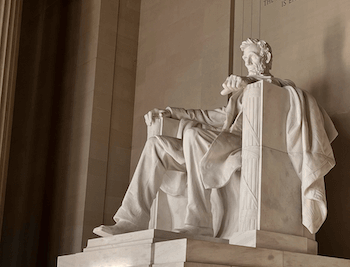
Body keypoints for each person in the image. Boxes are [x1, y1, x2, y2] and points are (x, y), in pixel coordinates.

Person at [93, 38, 337, 240]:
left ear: (266, 58)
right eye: (245, 60)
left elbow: (284, 94)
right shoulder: (238, 95)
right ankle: (130, 220)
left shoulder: (276, 88)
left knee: (192, 134)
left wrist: (249, 84)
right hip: (214, 145)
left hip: (240, 145)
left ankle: (198, 221)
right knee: (158, 144)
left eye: (252, 57)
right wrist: (170, 112)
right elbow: (208, 116)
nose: (248, 62)